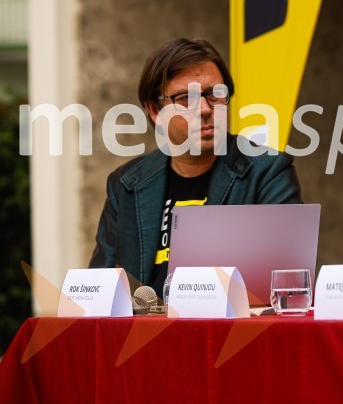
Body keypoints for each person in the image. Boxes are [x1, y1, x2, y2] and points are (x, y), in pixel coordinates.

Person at [89, 38, 302, 294]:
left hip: (227, 331)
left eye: (215, 95)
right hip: (144, 333)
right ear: (155, 110)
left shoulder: (267, 172)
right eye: (185, 98)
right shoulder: (126, 184)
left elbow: (288, 285)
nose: (204, 109)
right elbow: (100, 292)